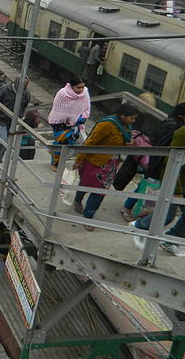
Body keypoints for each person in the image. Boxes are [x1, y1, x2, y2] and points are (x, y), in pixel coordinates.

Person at [128, 103, 185, 255]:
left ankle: (171, 239)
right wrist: (176, 190)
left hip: (181, 180)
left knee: (168, 214)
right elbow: (171, 162)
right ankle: (139, 226)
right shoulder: (181, 133)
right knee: (167, 215)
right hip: (175, 180)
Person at [73, 103, 139, 229]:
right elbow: (90, 142)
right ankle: (78, 200)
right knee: (86, 184)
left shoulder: (126, 126)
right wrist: (79, 160)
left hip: (110, 164)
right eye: (132, 118)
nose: (133, 121)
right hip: (95, 162)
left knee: (100, 192)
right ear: (123, 116)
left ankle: (88, 216)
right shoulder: (106, 125)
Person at [47, 75, 91, 171]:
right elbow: (58, 109)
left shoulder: (85, 93)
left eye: (82, 87)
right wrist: (68, 118)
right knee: (62, 141)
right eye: (78, 87)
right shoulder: (62, 94)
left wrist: (79, 118)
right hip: (59, 123)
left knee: (70, 142)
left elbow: (86, 108)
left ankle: (58, 157)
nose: (81, 90)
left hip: (76, 123)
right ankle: (54, 163)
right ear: (71, 86)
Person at [0, 77, 31, 163]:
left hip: (13, 121)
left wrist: (21, 116)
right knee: (4, 139)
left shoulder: (26, 93)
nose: (23, 87)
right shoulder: (4, 89)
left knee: (8, 141)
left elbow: (26, 104)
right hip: (1, 118)